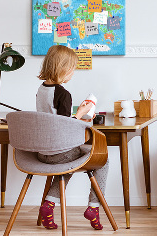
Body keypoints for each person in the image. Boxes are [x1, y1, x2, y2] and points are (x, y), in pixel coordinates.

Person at [36, 45, 109, 230]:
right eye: (72, 69)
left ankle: (49, 205)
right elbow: (65, 126)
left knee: (67, 164)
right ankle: (94, 207)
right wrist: (82, 113)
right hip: (59, 152)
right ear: (63, 69)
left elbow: (54, 120)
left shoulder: (41, 90)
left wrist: (79, 115)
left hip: (42, 152)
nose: (72, 73)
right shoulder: (63, 94)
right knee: (102, 159)